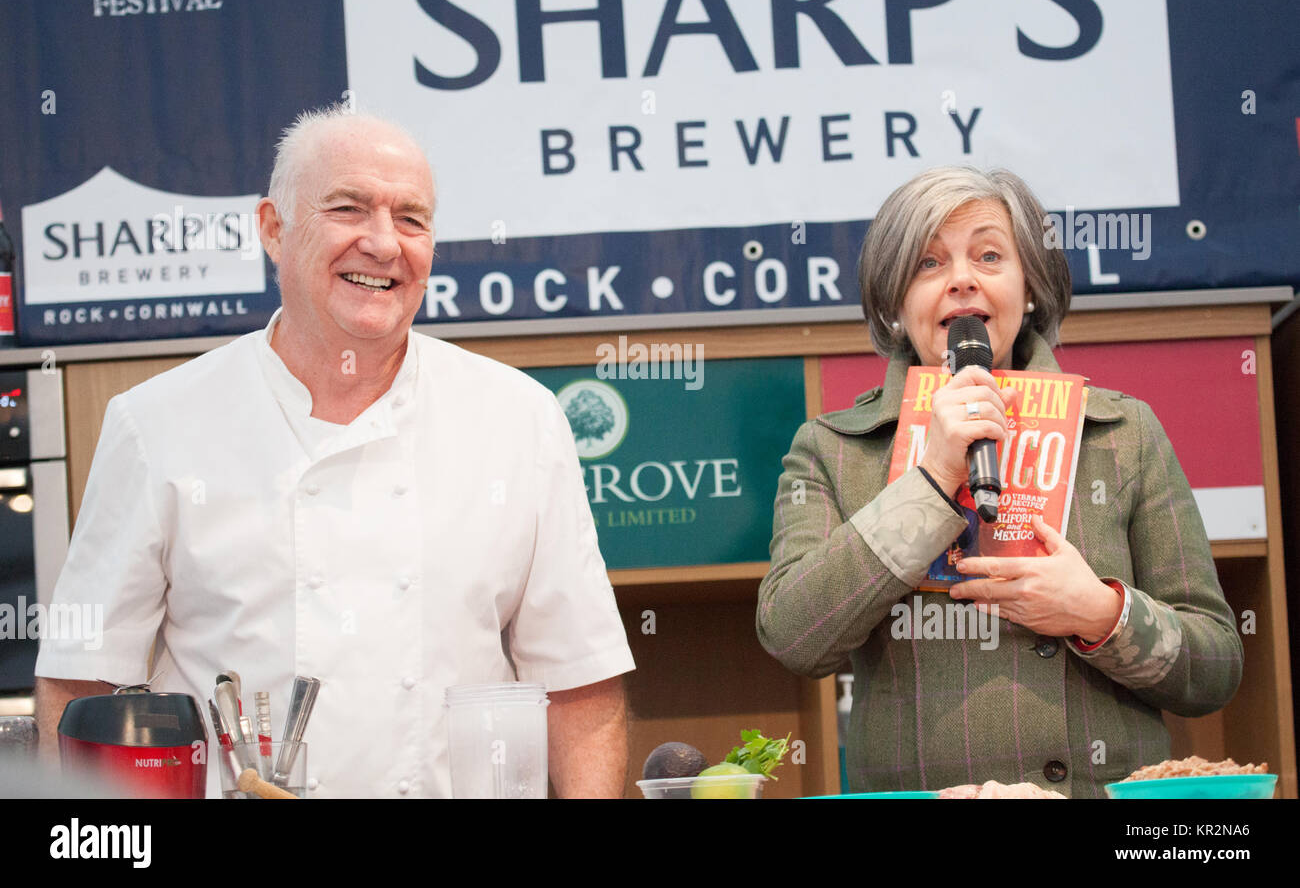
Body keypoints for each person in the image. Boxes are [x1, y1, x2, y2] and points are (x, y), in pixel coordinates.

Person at [34, 104, 635, 798]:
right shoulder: (157, 423)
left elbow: (578, 684)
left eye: (411, 219)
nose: (383, 244)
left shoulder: (519, 418)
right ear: (272, 229)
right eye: (349, 208)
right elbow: (81, 682)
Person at [756, 166, 1242, 797]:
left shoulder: (1125, 434)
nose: (962, 278)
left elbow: (1217, 668)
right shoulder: (832, 450)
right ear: (895, 303)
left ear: (1030, 287)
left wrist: (1098, 612)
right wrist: (930, 479)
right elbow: (793, 636)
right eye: (929, 264)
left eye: (990, 254)